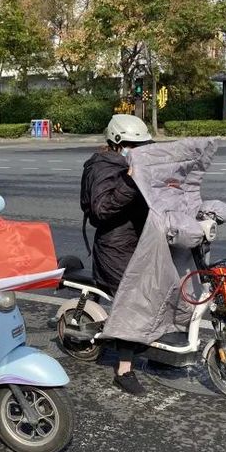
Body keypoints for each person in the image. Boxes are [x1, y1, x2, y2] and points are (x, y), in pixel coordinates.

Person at [80, 114, 153, 395]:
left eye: (141, 145)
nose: (137, 150)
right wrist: (130, 182)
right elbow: (101, 210)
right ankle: (124, 370)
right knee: (131, 300)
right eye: (133, 146)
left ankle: (145, 343)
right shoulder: (102, 167)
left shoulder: (133, 163)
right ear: (117, 143)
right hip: (114, 246)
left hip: (138, 240)